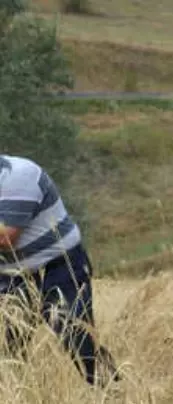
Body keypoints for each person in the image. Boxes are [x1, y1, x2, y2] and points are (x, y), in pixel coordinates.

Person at [0, 155, 115, 384]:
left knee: (77, 338)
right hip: (13, 277)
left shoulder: (18, 176)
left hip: (60, 267)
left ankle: (109, 395)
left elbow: (5, 238)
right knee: (7, 349)